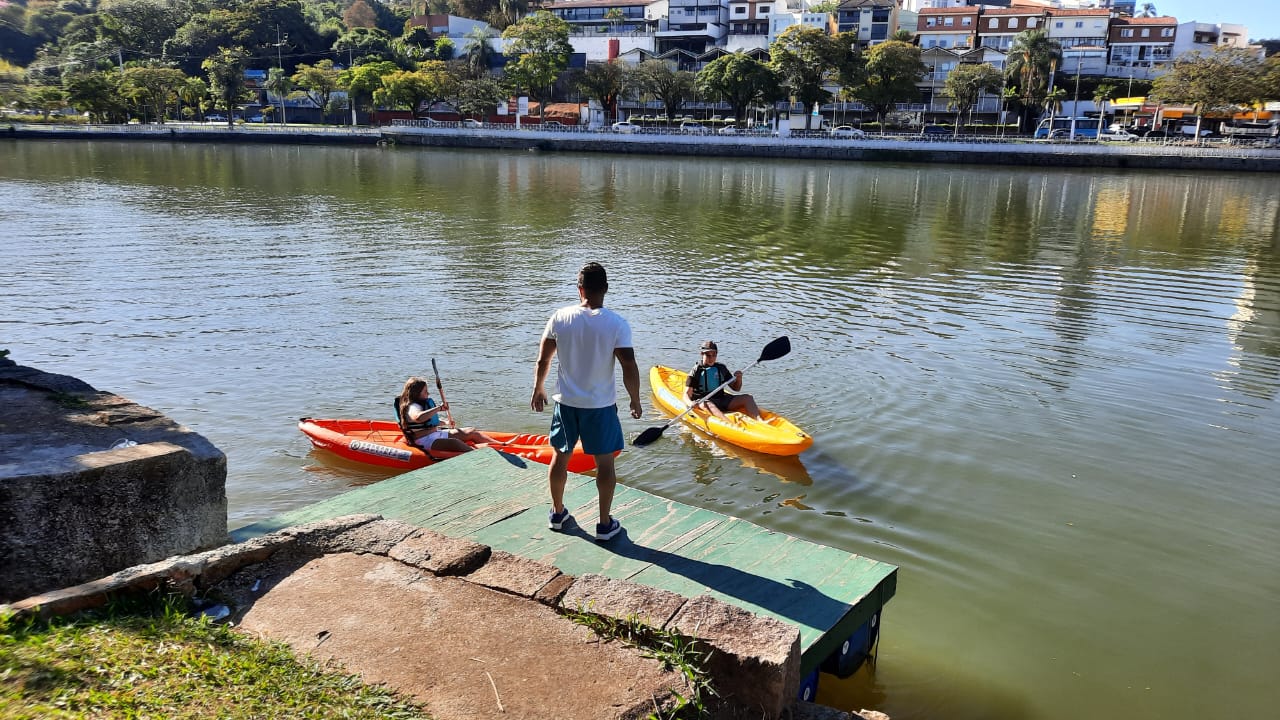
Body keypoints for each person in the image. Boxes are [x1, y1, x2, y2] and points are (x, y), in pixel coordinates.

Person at [531, 262, 641, 542]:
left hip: (566, 404)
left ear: (579, 288)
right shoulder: (616, 323)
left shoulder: (559, 317)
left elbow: (544, 358)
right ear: (605, 288)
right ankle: (604, 525)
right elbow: (629, 365)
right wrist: (635, 399)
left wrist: (538, 388)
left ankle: (557, 513)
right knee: (605, 464)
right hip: (600, 406)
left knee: (560, 456)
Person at [397, 377, 500, 454]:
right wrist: (439, 408)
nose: (428, 393)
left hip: (435, 434)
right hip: (423, 440)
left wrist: (445, 422)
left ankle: (501, 445)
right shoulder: (412, 407)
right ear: (416, 393)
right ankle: (480, 457)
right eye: (425, 391)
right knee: (455, 443)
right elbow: (418, 418)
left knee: (471, 431)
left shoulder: (422, 403)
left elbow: (429, 422)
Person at [685, 340, 761, 421]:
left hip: (721, 399)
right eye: (708, 355)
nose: (711, 358)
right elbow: (686, 394)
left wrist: (739, 379)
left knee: (748, 398)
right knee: (708, 404)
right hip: (705, 401)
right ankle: (729, 424)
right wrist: (690, 403)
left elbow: (736, 388)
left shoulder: (721, 368)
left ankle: (760, 421)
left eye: (714, 355)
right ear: (702, 354)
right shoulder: (696, 370)